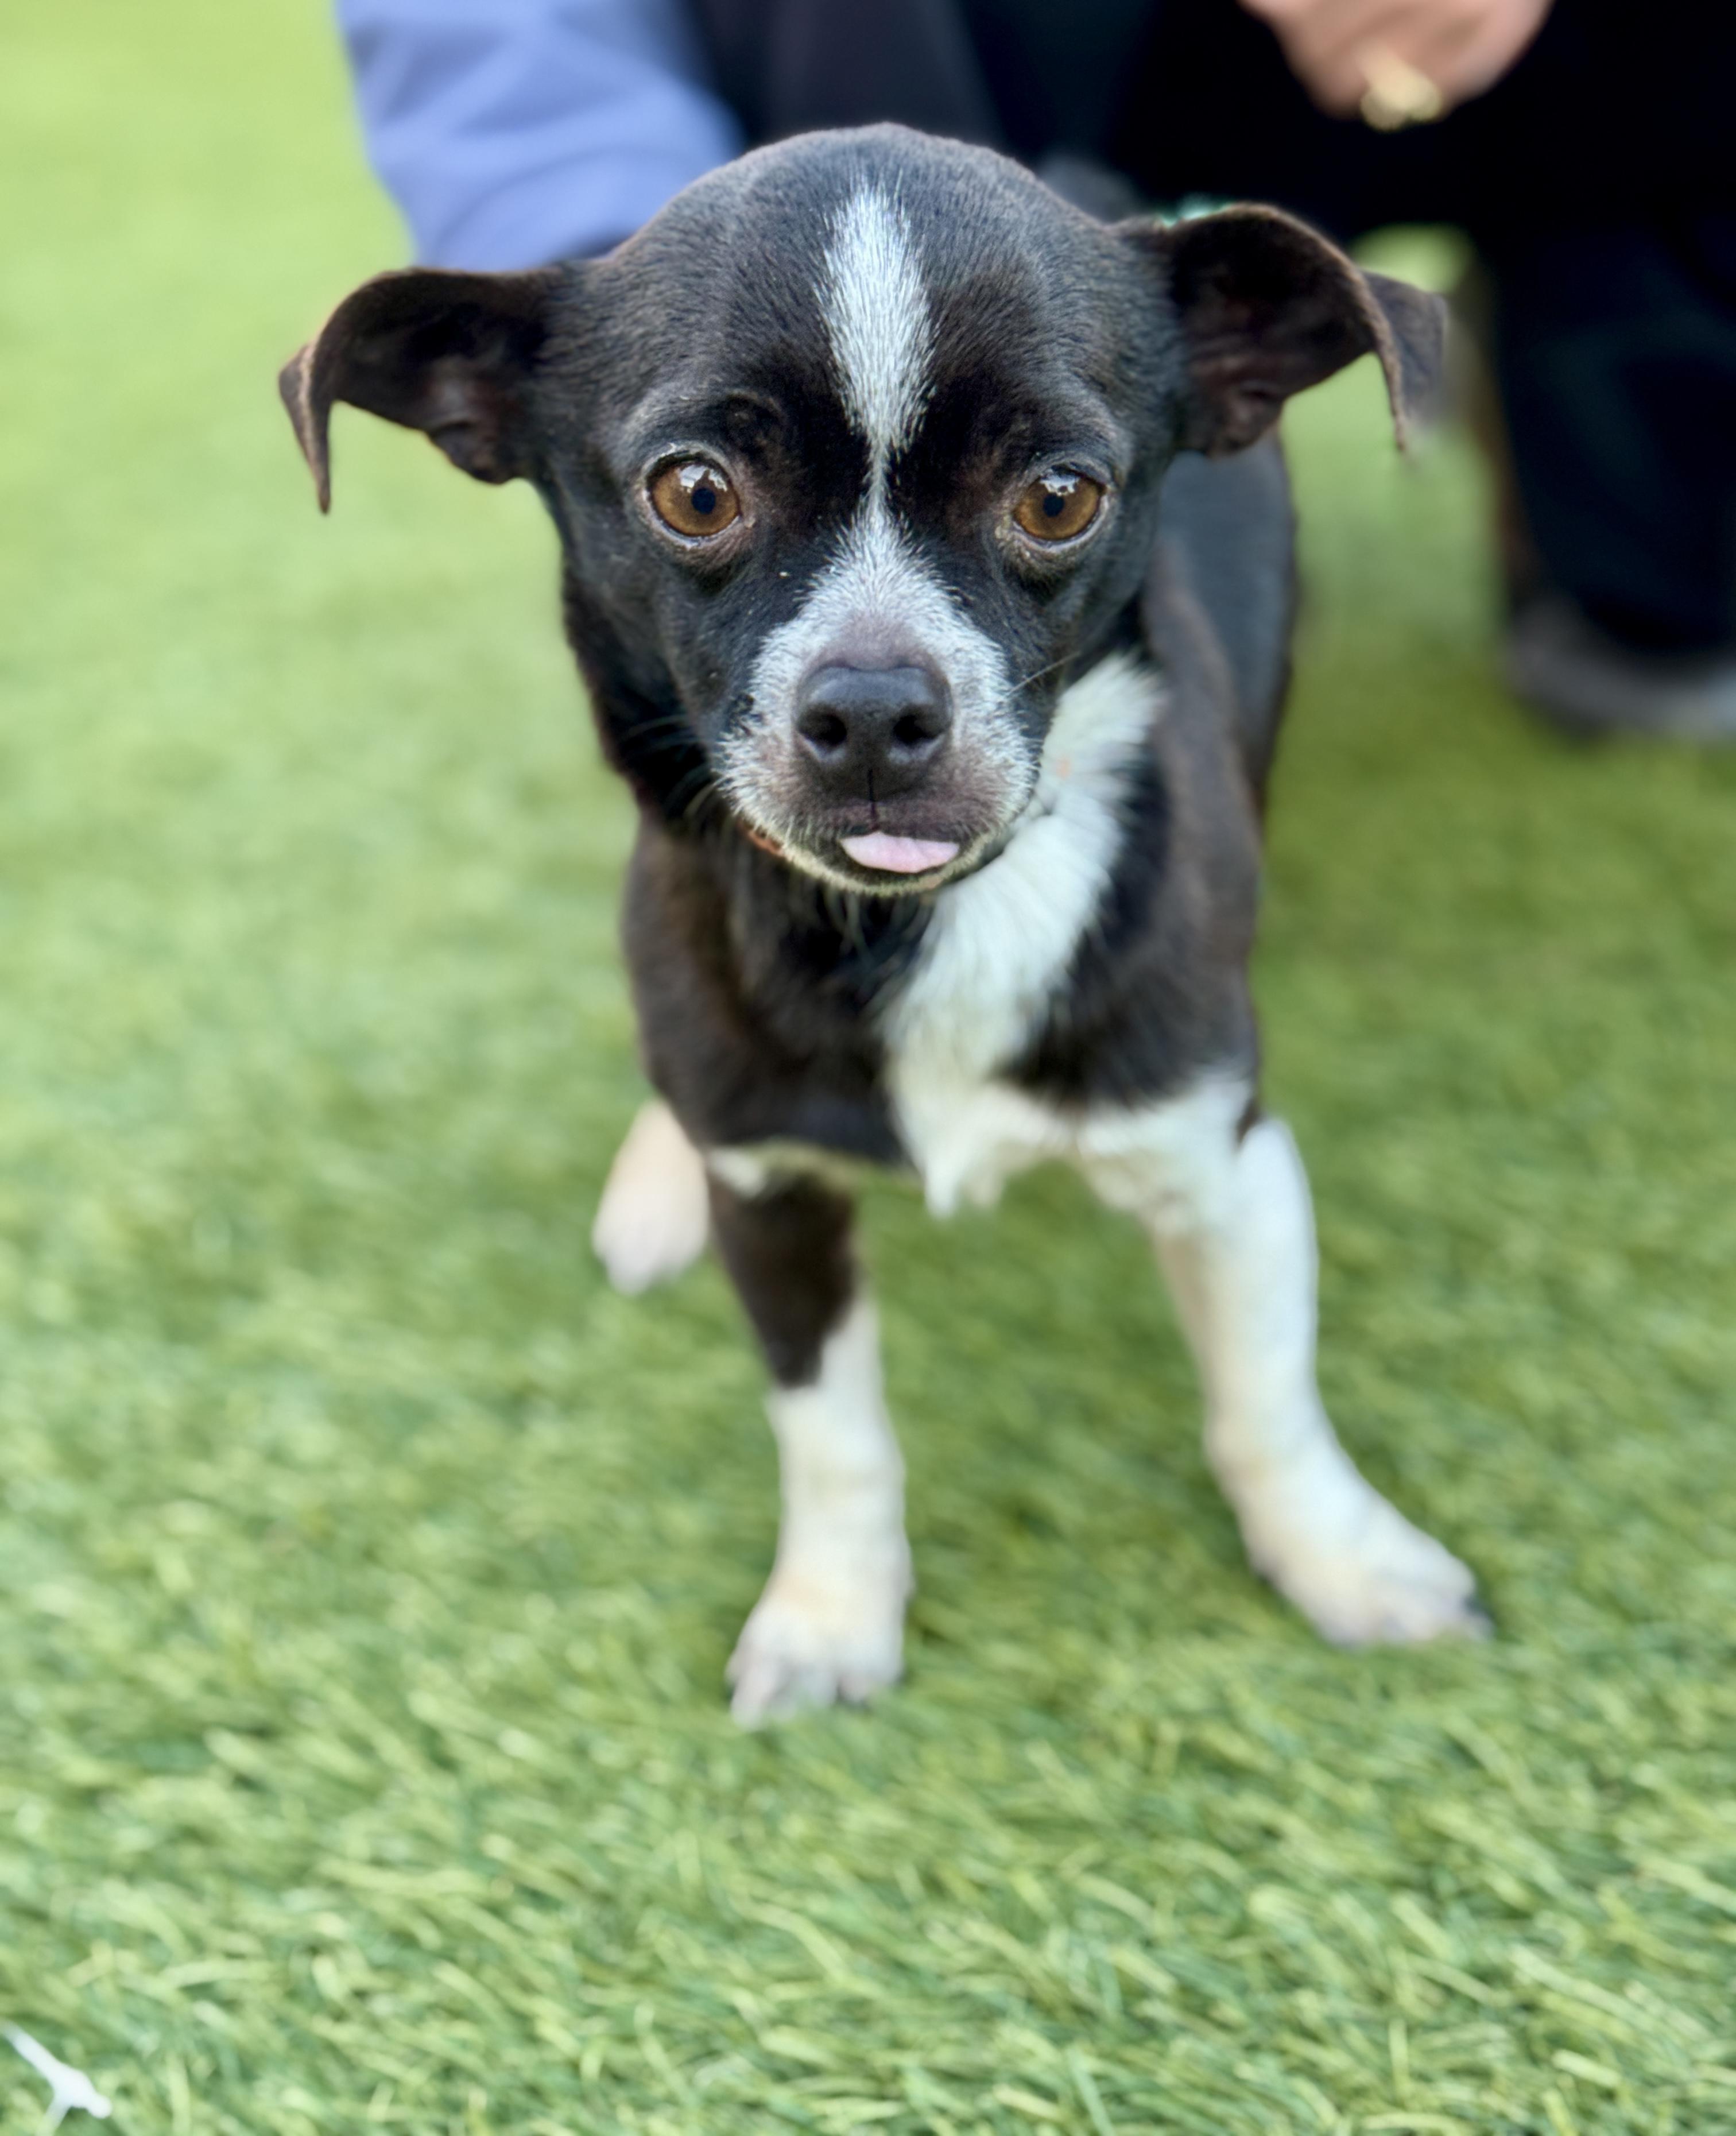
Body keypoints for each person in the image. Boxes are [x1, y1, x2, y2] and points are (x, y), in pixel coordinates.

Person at [335, 0, 1736, 738]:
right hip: (961, 60)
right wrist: (636, 305)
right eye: (704, 496)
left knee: (1674, 590)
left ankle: (1601, 346)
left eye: (1050, 496)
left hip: (1560, 52)